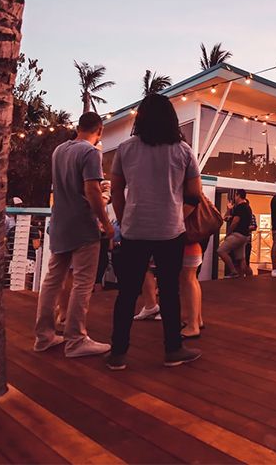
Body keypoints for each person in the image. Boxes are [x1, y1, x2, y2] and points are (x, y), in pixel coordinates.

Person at [107, 93, 202, 370]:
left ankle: (118, 353)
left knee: (127, 293)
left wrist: (125, 221)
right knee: (170, 291)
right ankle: (173, 350)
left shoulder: (125, 148)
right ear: (171, 119)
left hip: (135, 229)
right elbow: (194, 195)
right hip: (170, 231)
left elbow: (115, 190)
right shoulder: (184, 151)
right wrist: (177, 217)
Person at [33, 112, 113, 358]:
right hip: (82, 225)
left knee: (52, 280)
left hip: (60, 223)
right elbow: (90, 190)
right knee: (82, 282)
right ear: (99, 130)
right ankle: (76, 339)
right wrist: (105, 221)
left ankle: (44, 337)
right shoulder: (90, 153)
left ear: (78, 127)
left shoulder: (59, 151)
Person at [218, 189, 253, 278]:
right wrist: (229, 209)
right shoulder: (248, 208)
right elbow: (226, 218)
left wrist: (228, 234)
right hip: (244, 236)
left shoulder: (240, 207)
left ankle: (234, 271)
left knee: (221, 251)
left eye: (235, 196)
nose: (234, 198)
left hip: (238, 235)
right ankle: (245, 279)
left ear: (238, 195)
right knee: (241, 258)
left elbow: (235, 222)